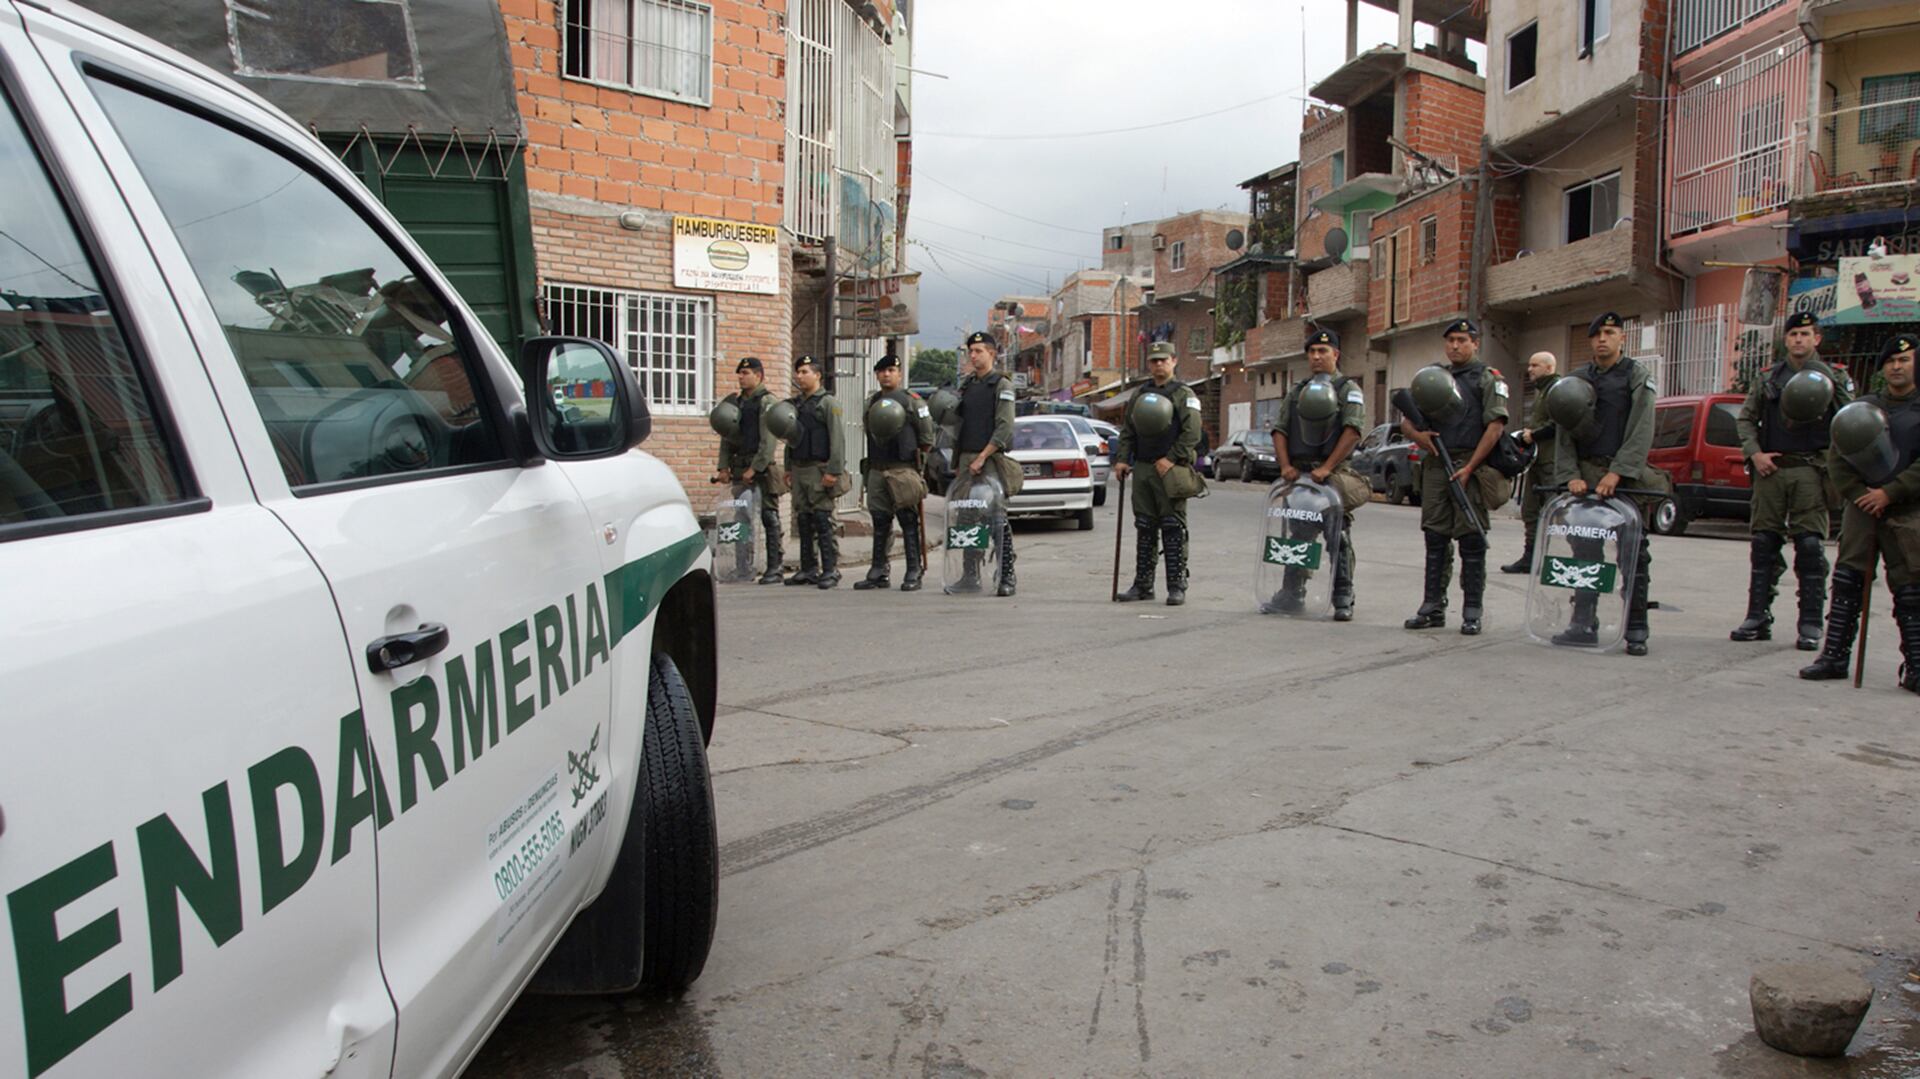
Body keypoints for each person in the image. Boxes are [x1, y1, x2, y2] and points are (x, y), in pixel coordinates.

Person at [1800, 333, 1920, 691]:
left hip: (1908, 508)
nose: (1897, 367)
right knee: (1848, 580)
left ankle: (1916, 664)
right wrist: (1860, 494)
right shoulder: (1862, 408)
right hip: (1862, 507)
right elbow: (1838, 457)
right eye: (1891, 362)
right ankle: (1834, 656)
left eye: (1905, 360)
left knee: (1911, 587)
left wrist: (1891, 492)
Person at [1548, 312, 1672, 656]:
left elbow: (1641, 428)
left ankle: (1636, 627)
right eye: (1597, 334)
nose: (1603, 339)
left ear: (1622, 339)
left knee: (1633, 553)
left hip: (1623, 478)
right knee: (1584, 553)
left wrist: (1618, 472)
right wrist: (1571, 475)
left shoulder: (1636, 376)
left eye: (1610, 332)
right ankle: (1583, 623)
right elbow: (1564, 430)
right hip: (1585, 476)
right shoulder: (1576, 379)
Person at [1731, 311, 1852, 648]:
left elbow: (1848, 418)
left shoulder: (1833, 376)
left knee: (1811, 545)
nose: (1799, 339)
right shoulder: (1768, 376)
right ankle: (1757, 616)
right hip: (1772, 468)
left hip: (1810, 470)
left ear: (1817, 339)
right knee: (1763, 543)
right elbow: (1746, 420)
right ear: (1785, 339)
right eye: (1793, 334)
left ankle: (1811, 623)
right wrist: (1754, 453)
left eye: (1805, 334)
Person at [1402, 319, 1511, 636]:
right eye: (1450, 340)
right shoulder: (1434, 377)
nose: (1455, 346)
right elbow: (1407, 422)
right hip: (1437, 464)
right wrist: (1419, 437)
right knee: (1434, 537)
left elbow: (1495, 426)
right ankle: (1432, 606)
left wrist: (1471, 467)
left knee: (1471, 540)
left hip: (1469, 466)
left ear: (1476, 343)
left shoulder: (1488, 379)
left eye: (1462, 340)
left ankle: (1472, 610)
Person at [1266, 327, 1369, 619]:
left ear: (1335, 354)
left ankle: (1343, 596)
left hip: (1332, 475)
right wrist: (1286, 466)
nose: (1316, 357)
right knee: (1298, 536)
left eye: (1323, 351)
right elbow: (1280, 429)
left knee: (1338, 536)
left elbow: (1352, 432)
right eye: (1312, 352)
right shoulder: (1298, 391)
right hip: (1301, 475)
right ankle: (1291, 593)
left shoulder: (1348, 389)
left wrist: (1327, 468)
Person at [1115, 341, 1204, 606]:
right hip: (1142, 467)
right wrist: (1122, 459)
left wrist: (1172, 458)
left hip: (1170, 469)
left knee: (1172, 526)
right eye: (1154, 361)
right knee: (1144, 526)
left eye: (1163, 360)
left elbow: (1192, 433)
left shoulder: (1184, 394)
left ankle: (1176, 585)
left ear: (1174, 361)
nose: (1158, 365)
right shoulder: (1139, 394)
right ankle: (1143, 585)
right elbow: (1128, 430)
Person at [854, 352, 935, 591]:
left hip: (903, 468)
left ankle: (913, 569)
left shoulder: (913, 401)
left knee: (908, 521)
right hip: (878, 467)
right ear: (877, 374)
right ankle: (879, 570)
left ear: (899, 374)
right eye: (882, 371)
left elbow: (927, 436)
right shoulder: (872, 401)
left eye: (891, 370)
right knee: (880, 520)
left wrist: (919, 466)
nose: (886, 374)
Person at [951, 331, 1020, 596]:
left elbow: (1004, 428)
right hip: (968, 460)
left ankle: (1006, 576)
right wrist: (959, 462)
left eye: (978, 350)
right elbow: (960, 427)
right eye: (970, 351)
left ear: (992, 353)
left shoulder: (1001, 385)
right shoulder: (968, 386)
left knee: (995, 517)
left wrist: (982, 456)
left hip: (989, 460)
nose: (973, 355)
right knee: (968, 517)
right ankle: (970, 575)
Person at [711, 356, 785, 584]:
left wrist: (755, 468)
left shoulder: (767, 401)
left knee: (768, 516)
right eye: (740, 374)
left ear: (758, 375)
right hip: (739, 468)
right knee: (740, 519)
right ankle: (743, 567)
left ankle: (775, 567)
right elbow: (727, 437)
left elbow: (768, 441)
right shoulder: (735, 402)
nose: (741, 378)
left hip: (760, 470)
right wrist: (723, 467)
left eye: (746, 373)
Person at [783, 355, 845, 589]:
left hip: (820, 468)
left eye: (805, 372)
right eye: (798, 372)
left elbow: (837, 439)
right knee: (804, 519)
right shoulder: (796, 405)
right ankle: (808, 568)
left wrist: (833, 471)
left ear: (817, 375)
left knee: (822, 519)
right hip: (800, 468)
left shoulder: (828, 403)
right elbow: (791, 437)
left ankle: (830, 569)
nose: (800, 376)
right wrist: (788, 467)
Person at [1501, 351, 1560, 574]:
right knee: (1531, 510)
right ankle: (1530, 557)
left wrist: (1533, 435)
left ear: (1548, 368)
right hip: (1536, 461)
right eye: (1530, 365)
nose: (1530, 369)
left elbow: (1557, 424)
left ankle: (1552, 559)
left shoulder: (1557, 390)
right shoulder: (1543, 392)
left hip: (1551, 463)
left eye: (1535, 365)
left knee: (1554, 512)